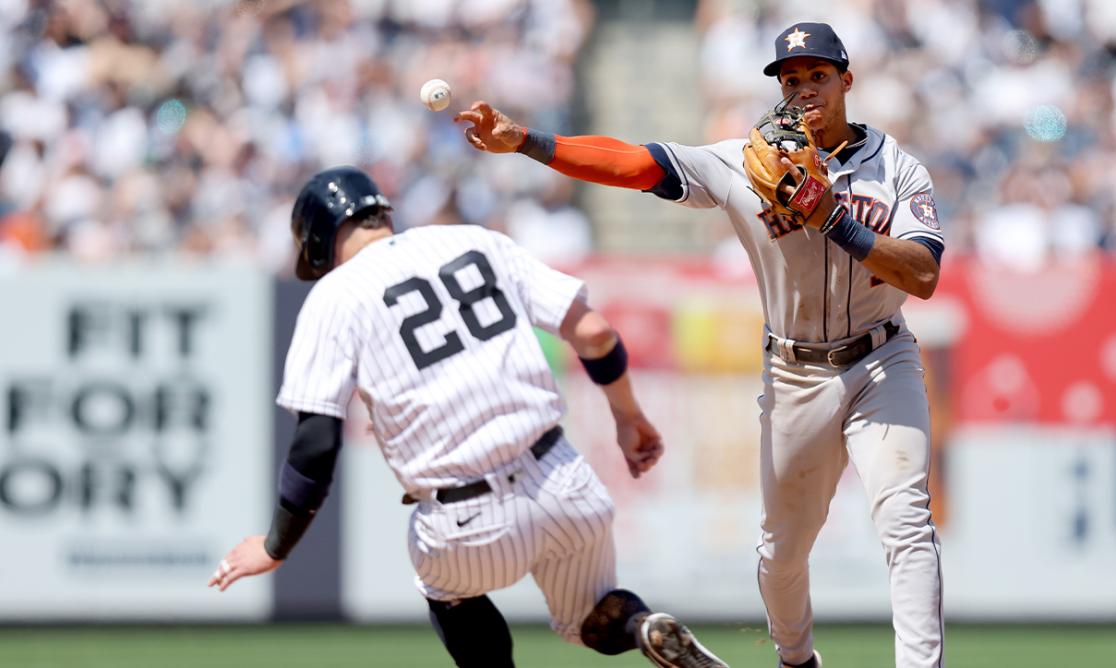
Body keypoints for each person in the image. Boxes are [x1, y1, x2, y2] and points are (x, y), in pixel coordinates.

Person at [454, 21, 945, 668]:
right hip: (797, 375)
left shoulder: (899, 170)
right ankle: (796, 661)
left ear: (846, 81)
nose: (803, 90)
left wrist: (834, 220)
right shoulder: (745, 163)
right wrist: (526, 141)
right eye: (791, 79)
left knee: (906, 521)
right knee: (781, 552)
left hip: (885, 361)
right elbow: (635, 164)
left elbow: (924, 275)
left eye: (817, 77)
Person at [207, 166, 729, 668]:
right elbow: (594, 334)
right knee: (591, 620)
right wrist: (627, 417)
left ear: (319, 241)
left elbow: (316, 445)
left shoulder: (334, 296)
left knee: (448, 592)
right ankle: (641, 626)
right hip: (564, 481)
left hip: (465, 520)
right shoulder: (476, 240)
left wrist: (276, 545)